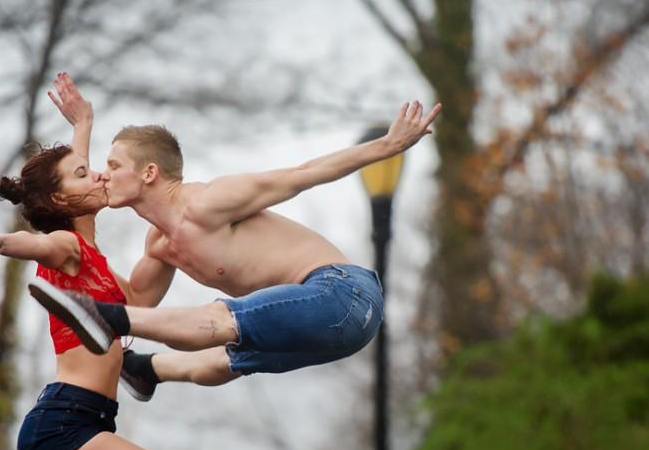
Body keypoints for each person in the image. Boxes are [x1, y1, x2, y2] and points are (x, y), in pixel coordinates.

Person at [28, 89, 441, 399]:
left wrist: (387, 146)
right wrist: (79, 133)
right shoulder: (159, 246)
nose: (102, 174)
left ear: (149, 173)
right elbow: (133, 298)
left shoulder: (209, 202)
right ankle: (146, 370)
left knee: (219, 320)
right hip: (334, 334)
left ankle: (106, 320)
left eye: (113, 166)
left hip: (344, 293)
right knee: (230, 356)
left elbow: (303, 174)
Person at [0, 73, 198, 450]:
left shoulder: (91, 253)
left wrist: (84, 122)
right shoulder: (65, 249)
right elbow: (40, 242)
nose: (100, 176)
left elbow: (73, 180)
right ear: (62, 202)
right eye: (87, 175)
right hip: (63, 425)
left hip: (88, 421)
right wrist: (3, 244)